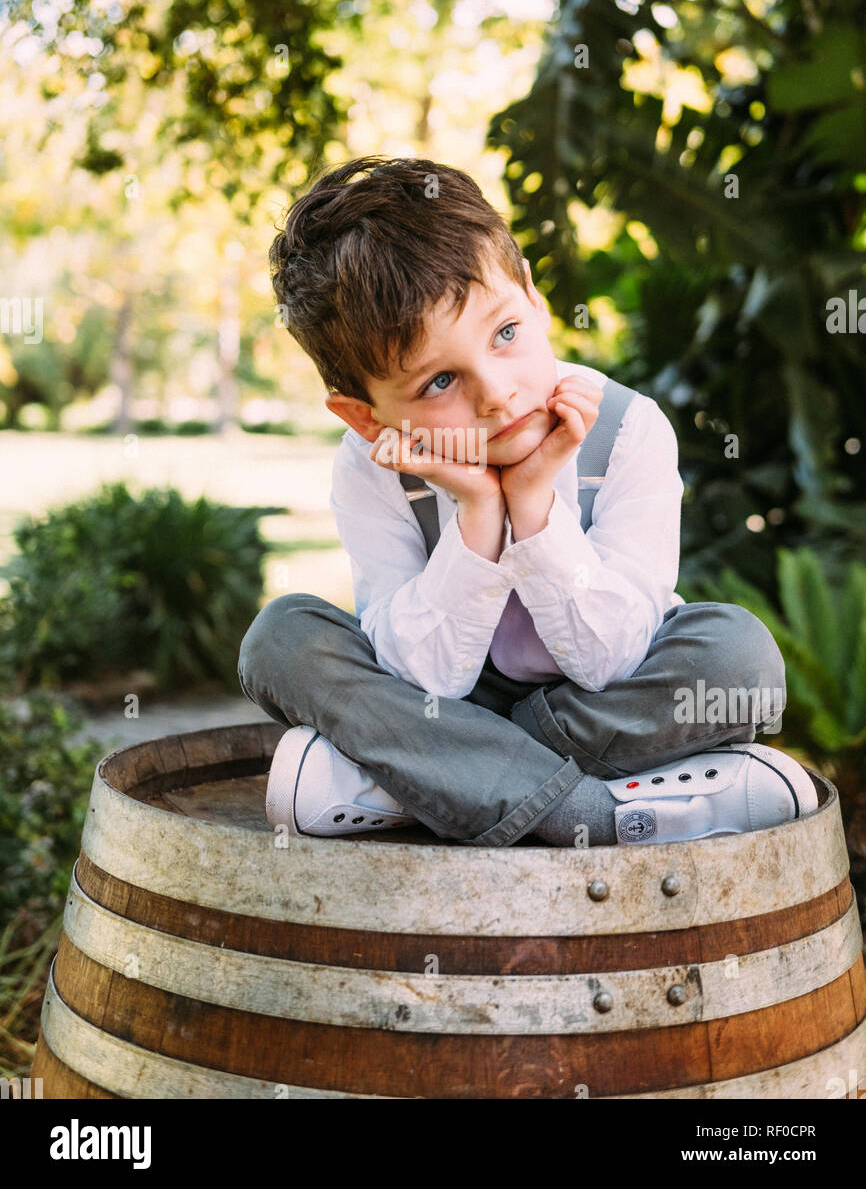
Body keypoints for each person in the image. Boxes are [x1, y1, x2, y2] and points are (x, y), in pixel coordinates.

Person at [238, 156, 817, 848]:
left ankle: (406, 786)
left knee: (739, 661)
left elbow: (614, 659)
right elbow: (420, 676)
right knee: (281, 639)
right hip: (442, 703)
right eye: (440, 381)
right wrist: (480, 512)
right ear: (366, 417)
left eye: (506, 334)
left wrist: (534, 503)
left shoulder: (627, 429)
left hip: (603, 700)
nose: (497, 394)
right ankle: (593, 814)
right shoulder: (371, 467)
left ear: (534, 300)